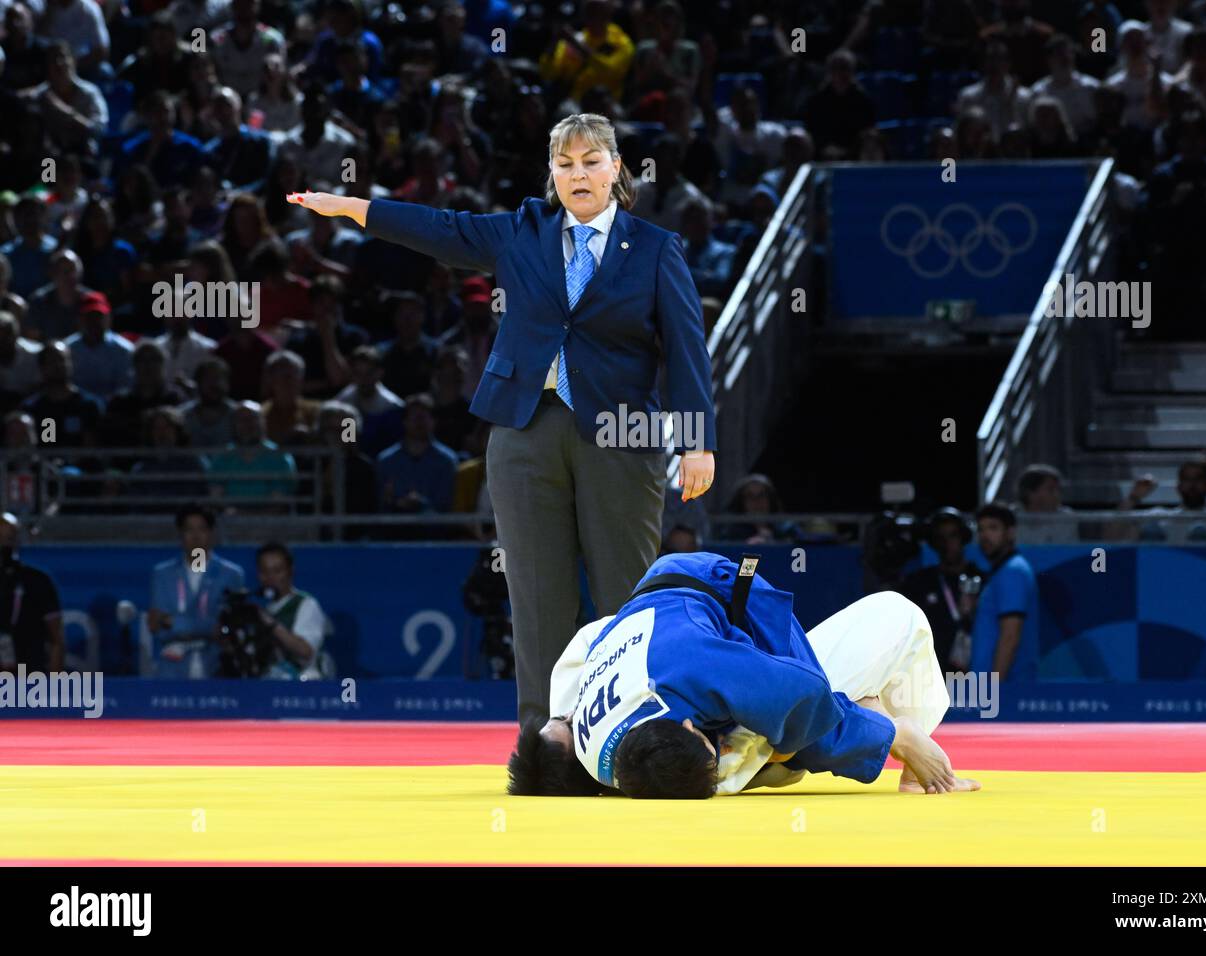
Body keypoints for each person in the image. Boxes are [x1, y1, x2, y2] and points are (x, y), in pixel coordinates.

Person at [288, 111, 717, 727]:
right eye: (565, 164)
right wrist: (357, 208)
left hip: (622, 437)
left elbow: (686, 351)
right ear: (551, 173)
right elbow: (441, 229)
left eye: (591, 162)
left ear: (616, 169)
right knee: (538, 597)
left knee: (626, 594)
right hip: (523, 432)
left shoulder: (654, 248)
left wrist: (697, 441)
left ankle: (633, 735)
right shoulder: (523, 230)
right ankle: (549, 744)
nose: (578, 175)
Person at [508, 551, 977, 798]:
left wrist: (885, 731)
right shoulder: (582, 724)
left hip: (711, 592)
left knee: (887, 627)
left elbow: (797, 693)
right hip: (664, 608)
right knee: (898, 617)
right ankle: (893, 739)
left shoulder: (691, 667)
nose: (560, 722)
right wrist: (889, 731)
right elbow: (800, 696)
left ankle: (886, 735)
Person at [146, 504, 245, 677]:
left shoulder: (231, 574)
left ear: (212, 533)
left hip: (216, 668)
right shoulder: (162, 574)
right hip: (172, 670)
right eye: (189, 530)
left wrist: (175, 622)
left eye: (202, 529)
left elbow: (229, 629)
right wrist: (209, 628)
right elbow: (158, 626)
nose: (196, 536)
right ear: (180, 535)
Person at [901, 508, 981, 671]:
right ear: (933, 543)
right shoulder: (919, 582)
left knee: (976, 696)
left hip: (974, 677)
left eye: (953, 535)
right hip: (931, 677)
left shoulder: (982, 580)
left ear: (964, 538)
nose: (947, 543)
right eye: (940, 538)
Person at [970, 503, 1038, 682]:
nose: (985, 536)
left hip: (1006, 692)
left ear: (1010, 533)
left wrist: (994, 691)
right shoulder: (1001, 572)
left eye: (993, 528)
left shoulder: (1013, 571)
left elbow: (1010, 636)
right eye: (981, 529)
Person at [253, 542, 329, 679]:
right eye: (264, 572)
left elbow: (305, 651)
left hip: (302, 685)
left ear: (290, 571)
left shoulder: (306, 604)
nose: (270, 578)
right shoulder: (264, 609)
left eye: (277, 571)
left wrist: (271, 624)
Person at [0, 511, 64, 672]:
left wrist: (53, 687)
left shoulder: (37, 580)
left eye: (9, 539)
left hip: (29, 679)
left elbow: (56, 639)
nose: (4, 547)